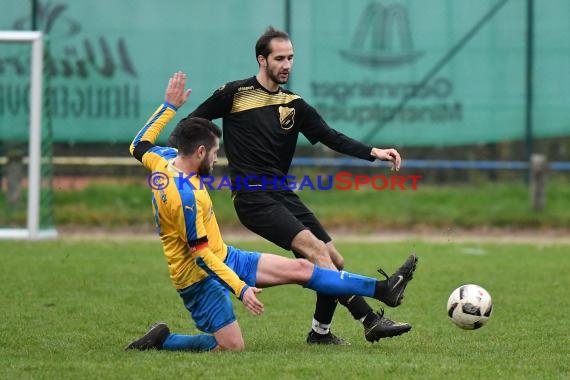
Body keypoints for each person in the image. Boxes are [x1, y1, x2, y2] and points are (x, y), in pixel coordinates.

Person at [126, 72, 417, 352]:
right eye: (215, 152)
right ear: (200, 152)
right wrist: (241, 289)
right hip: (199, 277)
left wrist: (169, 107)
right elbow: (200, 256)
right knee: (230, 347)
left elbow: (138, 144)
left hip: (225, 256)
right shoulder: (184, 197)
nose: (218, 158)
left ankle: (380, 290)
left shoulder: (163, 159)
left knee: (306, 267)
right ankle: (165, 340)